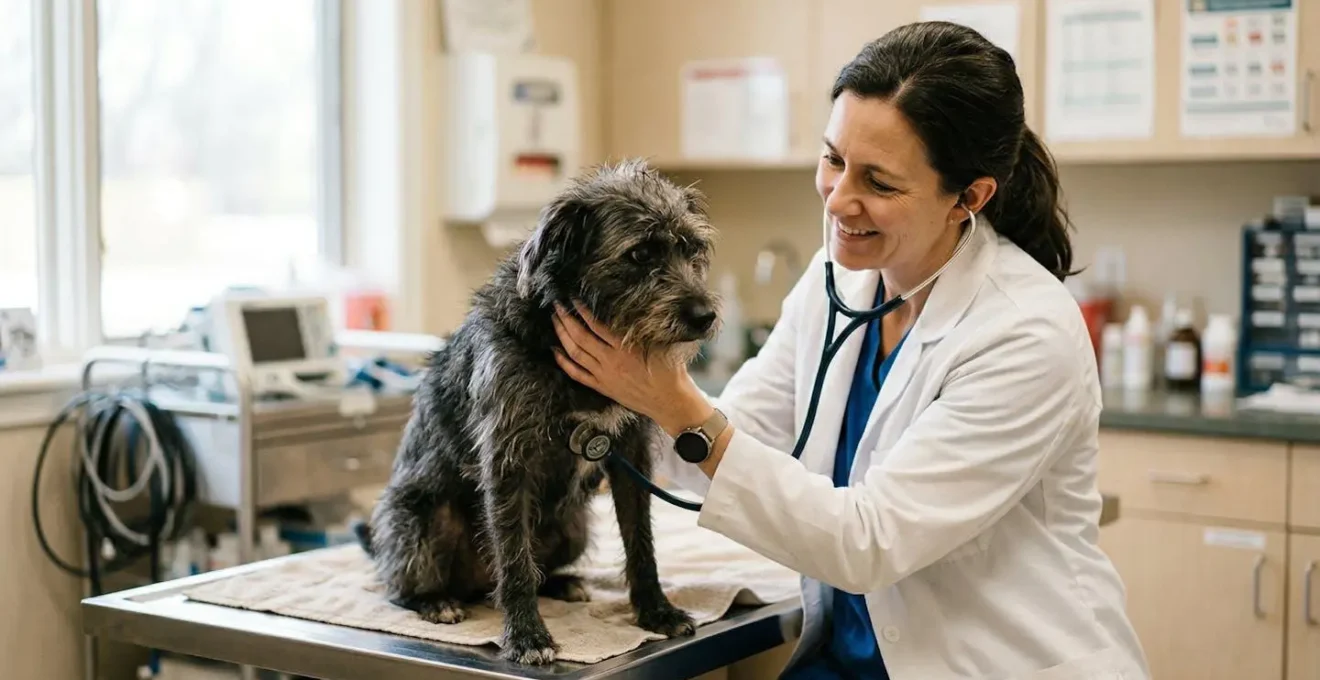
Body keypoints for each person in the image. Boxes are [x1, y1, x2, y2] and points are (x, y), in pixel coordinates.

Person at [551, 20, 1149, 680]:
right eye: (833, 159)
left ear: (969, 197)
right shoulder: (839, 282)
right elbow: (725, 447)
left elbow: (869, 541)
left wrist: (673, 402)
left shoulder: (1026, 334)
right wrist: (608, 399)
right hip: (847, 660)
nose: (839, 200)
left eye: (879, 182)